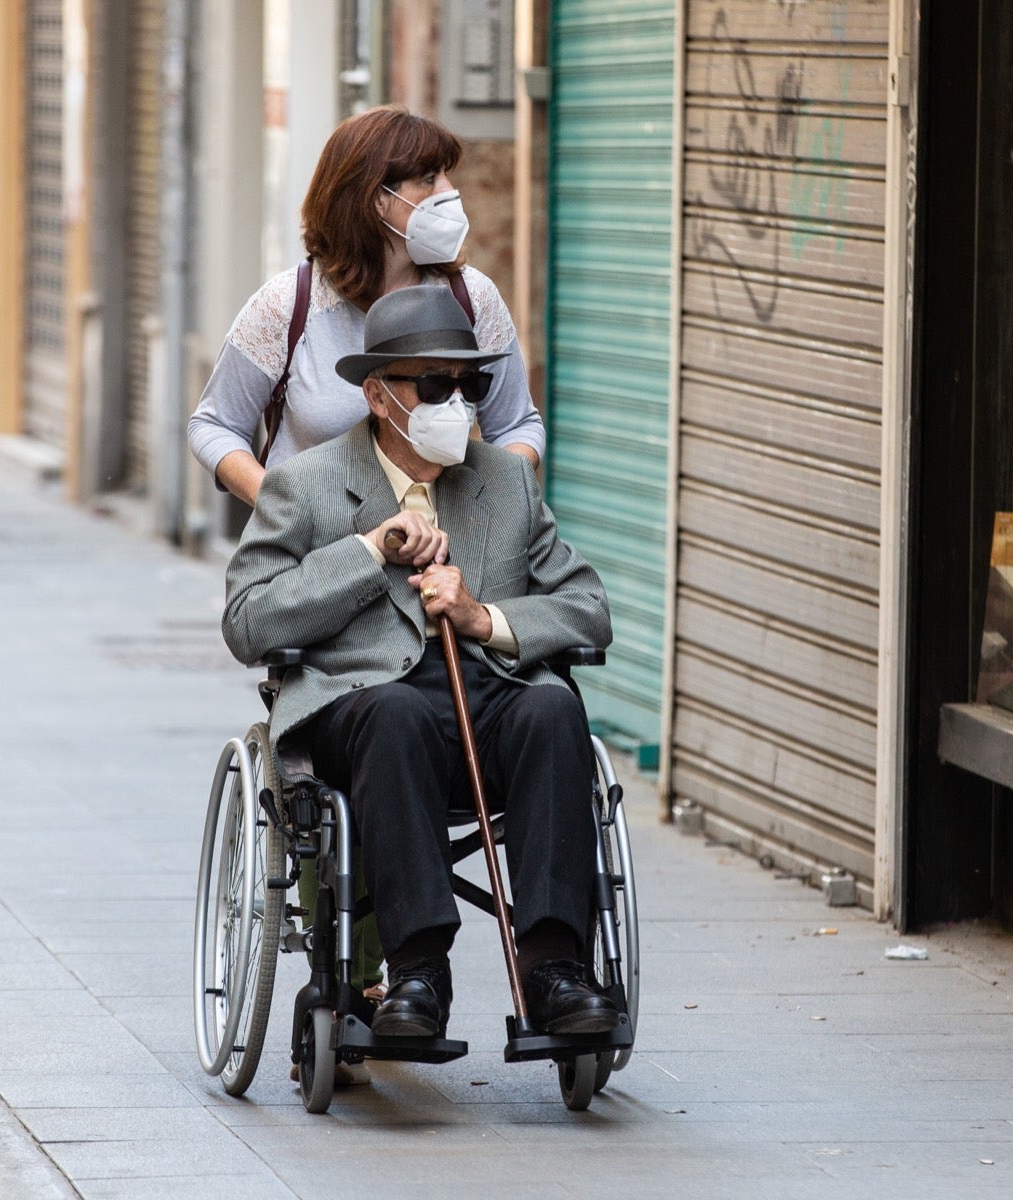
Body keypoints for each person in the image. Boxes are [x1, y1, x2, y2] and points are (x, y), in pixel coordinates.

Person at [222, 284, 618, 1045]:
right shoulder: (305, 485)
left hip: (489, 695)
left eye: (470, 386)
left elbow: (587, 605)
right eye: (435, 385)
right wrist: (368, 551)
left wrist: (483, 618)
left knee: (553, 708)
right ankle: (416, 972)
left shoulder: (505, 480)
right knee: (395, 712)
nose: (457, 405)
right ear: (378, 396)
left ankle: (555, 969)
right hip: (363, 704)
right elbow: (247, 620)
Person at [188, 105, 544, 508]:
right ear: (376, 198)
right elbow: (215, 425)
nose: (448, 192)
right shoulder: (287, 306)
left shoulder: (471, 298)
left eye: (445, 175)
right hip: (315, 544)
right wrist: (281, 507)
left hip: (441, 542)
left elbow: (517, 425)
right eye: (428, 179)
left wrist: (490, 509)